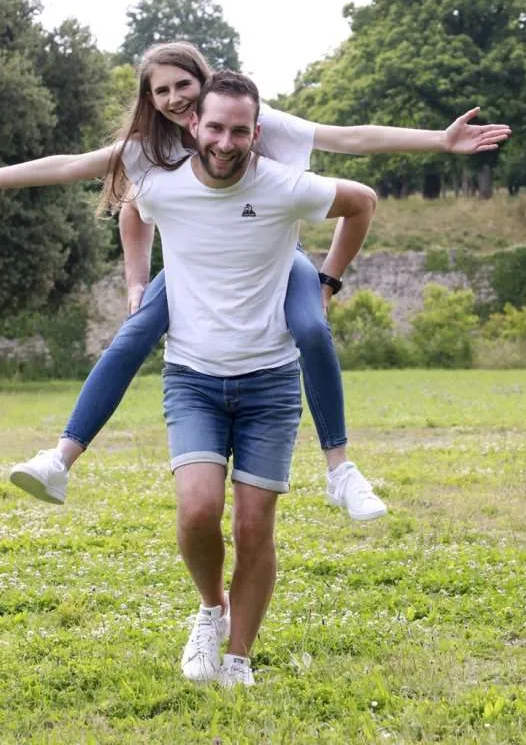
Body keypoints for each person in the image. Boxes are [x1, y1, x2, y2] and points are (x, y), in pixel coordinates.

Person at [0, 42, 511, 522]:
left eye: (183, 85)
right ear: (150, 98)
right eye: (161, 90)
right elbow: (92, 181)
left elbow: (349, 139)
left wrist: (439, 141)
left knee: (310, 327)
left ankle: (341, 470)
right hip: (195, 271)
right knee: (132, 335)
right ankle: (59, 460)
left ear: (205, 86)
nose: (175, 98)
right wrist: (131, 277)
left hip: (273, 260)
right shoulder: (147, 151)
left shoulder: (247, 120)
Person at [131, 69, 375, 685]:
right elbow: (129, 207)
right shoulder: (166, 185)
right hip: (193, 377)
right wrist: (137, 281)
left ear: (256, 132)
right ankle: (210, 612)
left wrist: (325, 282)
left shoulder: (282, 184)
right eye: (214, 127)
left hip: (269, 382)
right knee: (196, 511)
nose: (225, 140)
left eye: (240, 131)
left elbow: (362, 200)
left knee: (251, 525)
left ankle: (238, 658)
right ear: (194, 124)